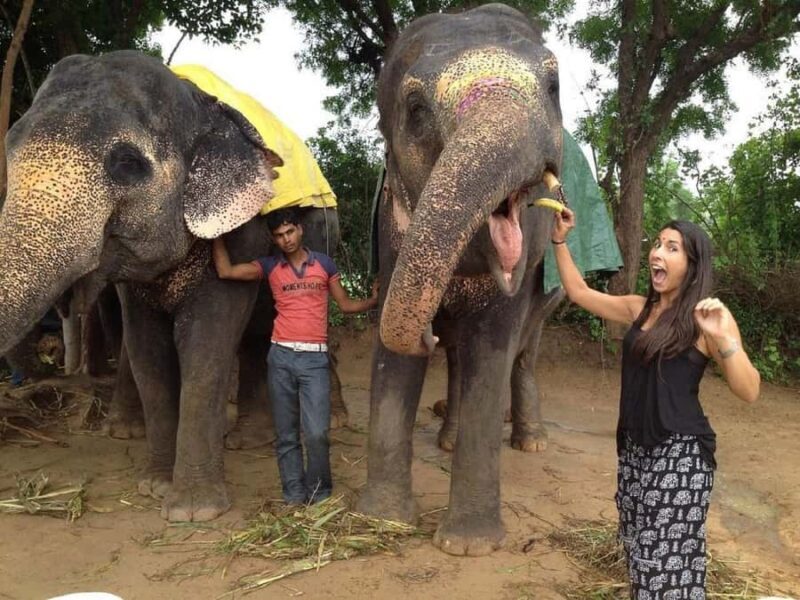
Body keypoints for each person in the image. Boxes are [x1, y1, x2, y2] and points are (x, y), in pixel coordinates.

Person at [551, 207, 759, 599]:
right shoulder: (638, 308)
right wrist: (559, 240)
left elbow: (749, 391)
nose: (656, 253)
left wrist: (726, 339)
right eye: (657, 244)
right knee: (640, 555)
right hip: (634, 450)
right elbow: (580, 293)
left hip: (680, 456)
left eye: (672, 247)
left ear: (692, 265)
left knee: (664, 563)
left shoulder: (707, 320)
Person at [213, 207, 378, 505]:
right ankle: (293, 496)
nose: (286, 239)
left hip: (315, 361)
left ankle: (319, 493)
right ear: (273, 240)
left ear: (300, 230)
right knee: (287, 435)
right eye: (279, 236)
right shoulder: (269, 267)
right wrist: (215, 237)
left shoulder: (324, 265)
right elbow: (227, 271)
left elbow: (345, 305)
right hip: (281, 359)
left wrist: (374, 300)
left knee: (316, 434)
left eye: (290, 232)